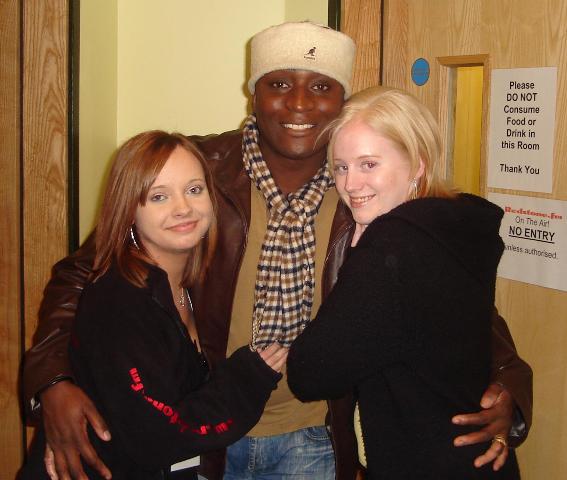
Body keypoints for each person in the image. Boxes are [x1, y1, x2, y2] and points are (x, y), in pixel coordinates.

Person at [23, 22, 532, 480]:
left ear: (342, 101)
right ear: (254, 94)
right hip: (200, 427)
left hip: (313, 436)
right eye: (280, 84)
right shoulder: (196, 171)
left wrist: (509, 381)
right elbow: (85, 273)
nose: (300, 104)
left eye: (322, 87)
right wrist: (54, 379)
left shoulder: (366, 189)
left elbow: (447, 296)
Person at [20, 131, 287, 479]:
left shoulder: (187, 279)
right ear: (128, 208)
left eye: (194, 190)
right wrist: (247, 378)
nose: (183, 208)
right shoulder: (122, 301)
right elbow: (159, 436)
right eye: (159, 196)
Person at [287, 87, 522, 479]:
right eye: (341, 167)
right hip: (474, 459)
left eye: (369, 164)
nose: (350, 184)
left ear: (417, 165)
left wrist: (364, 258)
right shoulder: (455, 225)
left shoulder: (394, 243)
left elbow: (311, 373)